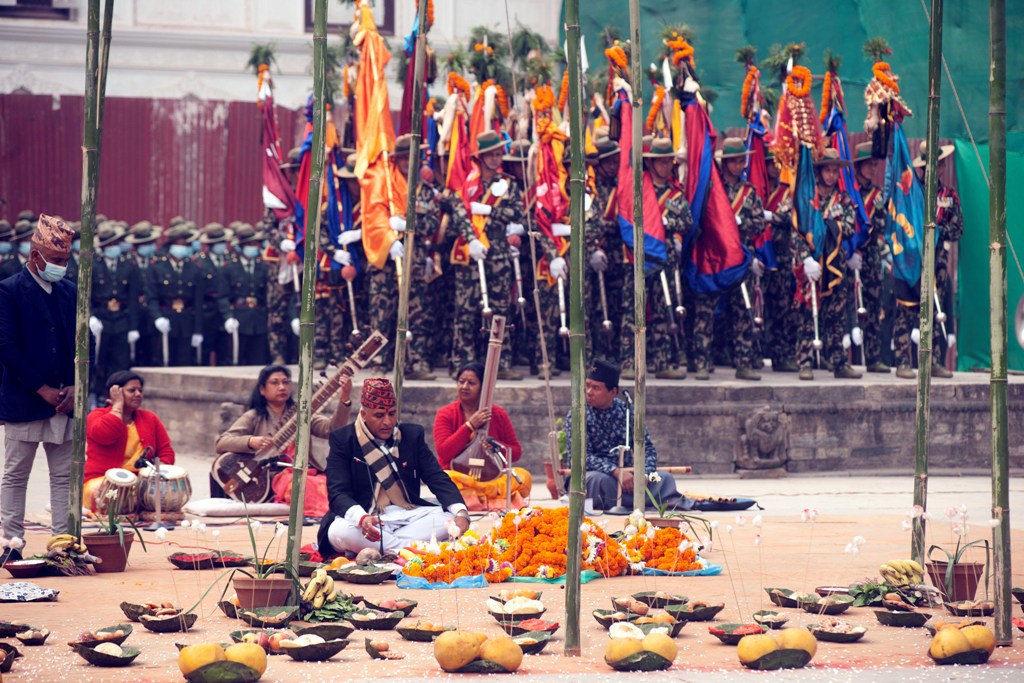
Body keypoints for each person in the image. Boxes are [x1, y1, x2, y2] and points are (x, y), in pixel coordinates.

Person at [317, 378, 469, 557]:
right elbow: (338, 493)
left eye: (392, 414)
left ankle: (388, 550)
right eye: (379, 415)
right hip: (366, 517)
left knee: (449, 519)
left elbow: (436, 477)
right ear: (364, 415)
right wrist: (362, 519)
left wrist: (461, 513)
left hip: (407, 515)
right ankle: (410, 550)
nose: (388, 422)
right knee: (339, 531)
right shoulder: (343, 439)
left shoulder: (412, 435)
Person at [0, 215, 76, 563]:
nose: (62, 267)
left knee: (63, 477)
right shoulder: (10, 290)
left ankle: (62, 544)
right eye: (57, 261)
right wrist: (40, 388)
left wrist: (77, 385)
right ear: (35, 257)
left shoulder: (71, 290)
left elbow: (82, 341)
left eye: (65, 260)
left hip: (65, 399)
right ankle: (10, 544)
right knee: (16, 475)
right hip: (24, 398)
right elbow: (7, 346)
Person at [214, 364, 352, 516]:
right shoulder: (254, 416)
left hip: (303, 471)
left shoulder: (303, 414)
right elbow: (222, 442)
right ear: (262, 390)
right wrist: (251, 441)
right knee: (302, 485)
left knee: (332, 485)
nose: (282, 387)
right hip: (270, 477)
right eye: (275, 382)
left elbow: (332, 430)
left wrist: (344, 399)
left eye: (285, 382)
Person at [564, 360, 689, 512]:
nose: (588, 391)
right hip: (601, 475)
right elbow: (580, 458)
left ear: (613, 392)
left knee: (665, 478)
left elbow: (647, 449)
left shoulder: (627, 411)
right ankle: (640, 501)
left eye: (595, 388)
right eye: (588, 385)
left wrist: (644, 474)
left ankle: (631, 500)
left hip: (631, 478)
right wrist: (616, 472)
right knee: (596, 481)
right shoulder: (577, 414)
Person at [433, 362, 530, 510]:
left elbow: (516, 452)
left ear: (483, 388)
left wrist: (495, 445)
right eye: (461, 382)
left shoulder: (497, 414)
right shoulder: (446, 413)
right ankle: (489, 501)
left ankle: (478, 500)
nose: (464, 386)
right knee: (446, 477)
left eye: (471, 383)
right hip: (460, 479)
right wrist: (469, 426)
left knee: (523, 477)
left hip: (492, 480)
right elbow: (443, 452)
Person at [83, 371, 178, 514]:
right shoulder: (96, 416)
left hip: (140, 480)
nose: (138, 394)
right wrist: (118, 406)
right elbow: (106, 434)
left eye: (140, 390)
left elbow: (166, 452)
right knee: (111, 497)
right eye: (132, 390)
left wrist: (156, 474)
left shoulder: (150, 418)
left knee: (169, 494)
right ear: (116, 392)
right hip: (102, 480)